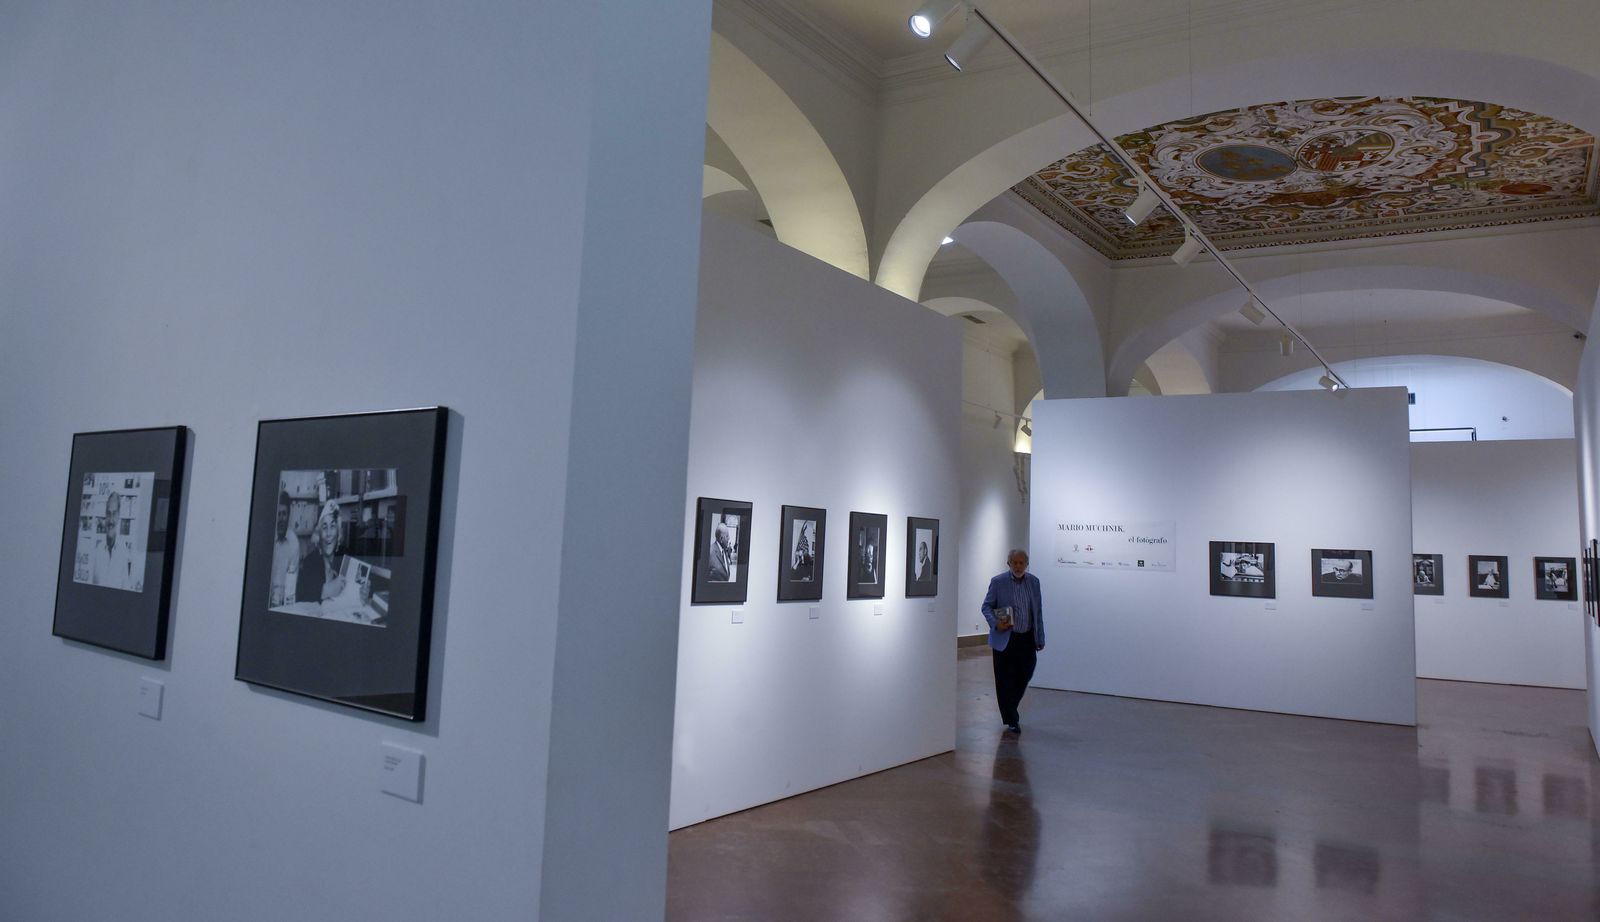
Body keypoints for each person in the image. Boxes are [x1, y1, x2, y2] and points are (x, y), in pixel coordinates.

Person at [981, 549, 1045, 734]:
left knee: (1025, 673)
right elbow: (986, 606)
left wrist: (1040, 637)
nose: (1018, 566)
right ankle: (1011, 719)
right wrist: (995, 623)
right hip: (1005, 638)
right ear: (1008, 563)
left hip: (1026, 637)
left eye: (1021, 563)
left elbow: (1038, 612)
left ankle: (1011, 708)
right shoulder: (998, 582)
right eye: (1014, 563)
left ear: (1027, 564)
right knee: (1003, 679)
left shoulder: (1034, 582)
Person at [297, 501, 350, 605]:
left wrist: (361, 595)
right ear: (319, 534)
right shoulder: (309, 562)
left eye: (333, 526)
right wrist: (325, 590)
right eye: (324, 527)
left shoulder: (344, 559)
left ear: (338, 533)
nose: (328, 534)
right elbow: (300, 596)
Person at [90, 490, 133, 590]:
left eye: (114, 514)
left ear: (118, 517)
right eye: (108, 514)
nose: (111, 520)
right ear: (105, 516)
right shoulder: (97, 550)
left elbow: (125, 589)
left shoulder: (124, 552)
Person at [268, 490, 301, 605]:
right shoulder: (266, 536)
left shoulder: (294, 543)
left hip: (282, 603)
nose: (281, 519)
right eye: (278, 514)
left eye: (284, 514)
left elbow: (291, 587)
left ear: (288, 515)